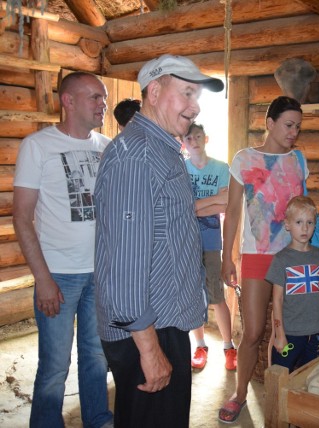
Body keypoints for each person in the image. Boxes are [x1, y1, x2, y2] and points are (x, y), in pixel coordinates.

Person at [94, 54, 223, 428]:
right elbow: (124, 265)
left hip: (163, 321)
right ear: (154, 91)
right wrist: (149, 349)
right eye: (186, 93)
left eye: (196, 95)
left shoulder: (162, 149)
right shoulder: (136, 157)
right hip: (147, 329)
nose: (195, 105)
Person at [13, 71, 113, 428]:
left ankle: (98, 418)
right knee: (55, 365)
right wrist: (42, 279)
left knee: (97, 357)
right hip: (58, 274)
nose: (103, 104)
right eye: (95, 98)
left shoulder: (106, 147)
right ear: (67, 101)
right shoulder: (38, 146)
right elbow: (22, 217)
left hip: (100, 273)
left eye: (103, 98)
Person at [218, 96, 308, 423]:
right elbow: (231, 211)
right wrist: (228, 258)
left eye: (298, 126)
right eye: (288, 124)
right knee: (254, 330)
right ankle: (240, 392)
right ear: (269, 124)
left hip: (292, 257)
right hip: (256, 256)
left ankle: (280, 391)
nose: (293, 131)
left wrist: (316, 252)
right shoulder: (244, 159)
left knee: (288, 329)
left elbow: (308, 210)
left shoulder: (299, 160)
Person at [182, 122, 237, 371]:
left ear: (206, 138)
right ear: (183, 143)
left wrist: (196, 205)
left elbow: (226, 204)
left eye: (198, 136)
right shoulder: (181, 167)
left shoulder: (221, 167)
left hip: (212, 241)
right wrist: (211, 201)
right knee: (194, 295)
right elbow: (181, 207)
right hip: (185, 241)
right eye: (189, 138)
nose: (194, 141)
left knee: (216, 293)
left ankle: (229, 346)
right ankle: (201, 345)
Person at [266, 196, 319, 372]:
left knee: (308, 376)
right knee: (279, 376)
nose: (305, 228)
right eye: (299, 222)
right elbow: (277, 300)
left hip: (314, 333)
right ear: (287, 224)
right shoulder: (281, 260)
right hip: (290, 334)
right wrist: (280, 335)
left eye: (310, 223)